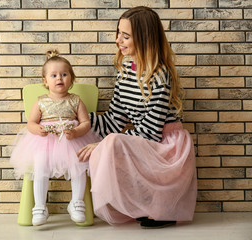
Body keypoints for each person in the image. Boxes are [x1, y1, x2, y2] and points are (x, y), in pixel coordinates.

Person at [77, 6, 197, 229]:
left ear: (143, 38)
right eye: (118, 33)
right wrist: (79, 117)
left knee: (112, 142)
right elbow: (115, 120)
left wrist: (103, 145)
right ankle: (148, 205)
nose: (118, 40)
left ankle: (162, 208)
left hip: (166, 147)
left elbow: (150, 131)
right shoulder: (125, 70)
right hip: (147, 142)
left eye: (125, 35)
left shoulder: (160, 75)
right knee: (108, 139)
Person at [10, 50, 100, 226]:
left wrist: (76, 132)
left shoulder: (76, 100)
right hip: (45, 143)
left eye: (64, 74)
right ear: (45, 81)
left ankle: (77, 202)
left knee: (79, 165)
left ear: (71, 79)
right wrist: (38, 130)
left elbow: (85, 123)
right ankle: (40, 207)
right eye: (54, 75)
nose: (59, 78)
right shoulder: (41, 101)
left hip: (72, 140)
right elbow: (31, 123)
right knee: (40, 167)